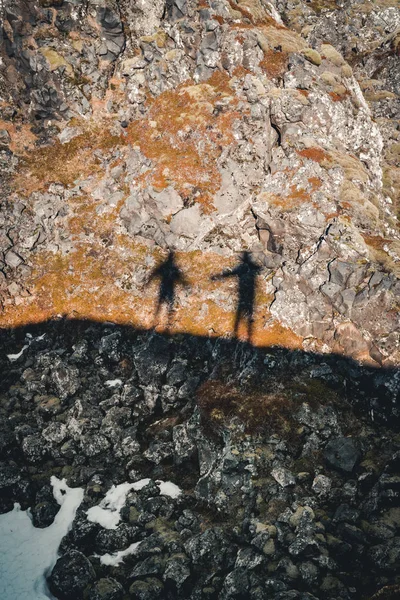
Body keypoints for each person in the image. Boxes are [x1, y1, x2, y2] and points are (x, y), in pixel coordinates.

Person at [211, 251, 261, 342]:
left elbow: (230, 274)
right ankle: (247, 334)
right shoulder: (248, 267)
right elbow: (258, 268)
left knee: (241, 314)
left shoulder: (242, 267)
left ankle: (238, 333)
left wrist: (218, 277)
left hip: (245, 294)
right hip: (249, 294)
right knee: (247, 314)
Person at [148, 251, 189, 331]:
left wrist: (147, 283)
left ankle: (156, 322)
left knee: (160, 304)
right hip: (170, 288)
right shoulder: (173, 268)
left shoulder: (164, 266)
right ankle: (167, 324)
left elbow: (154, 274)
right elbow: (181, 279)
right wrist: (186, 286)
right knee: (169, 305)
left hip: (164, 287)